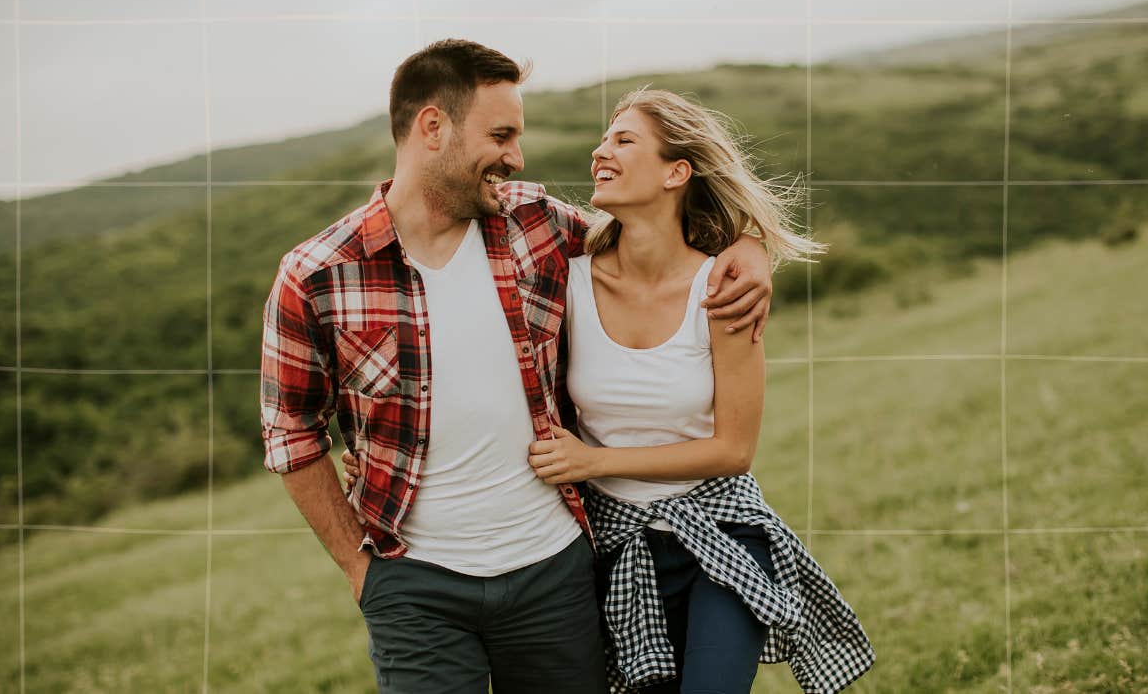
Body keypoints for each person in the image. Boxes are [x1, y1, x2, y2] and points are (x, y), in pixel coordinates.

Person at [260, 39, 775, 694]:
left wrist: (748, 248)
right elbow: (291, 432)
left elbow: (659, 239)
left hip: (553, 572)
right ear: (432, 127)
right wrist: (358, 564)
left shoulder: (538, 226)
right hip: (416, 585)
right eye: (501, 135)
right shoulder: (317, 277)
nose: (517, 156)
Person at [346, 87, 876, 692]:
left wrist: (751, 248)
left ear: (678, 171)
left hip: (719, 530)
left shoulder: (723, 289)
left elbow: (735, 451)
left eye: (624, 140)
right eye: (604, 138)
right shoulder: (562, 273)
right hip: (616, 544)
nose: (601, 150)